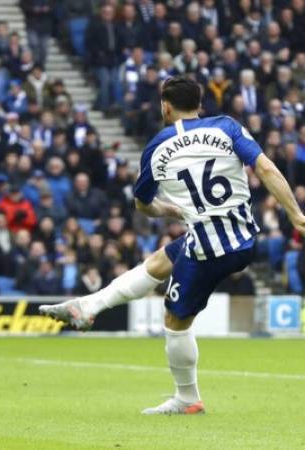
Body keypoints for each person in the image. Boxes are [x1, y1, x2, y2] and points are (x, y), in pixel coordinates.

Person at [40, 75, 305, 415]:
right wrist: (297, 217)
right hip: (241, 237)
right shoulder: (227, 127)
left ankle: (187, 398)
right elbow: (265, 168)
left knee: (174, 320)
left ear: (166, 106)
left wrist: (168, 209)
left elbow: (142, 204)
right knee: (157, 263)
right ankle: (89, 306)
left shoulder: (158, 145)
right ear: (200, 105)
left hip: (209, 250)